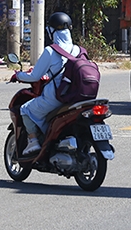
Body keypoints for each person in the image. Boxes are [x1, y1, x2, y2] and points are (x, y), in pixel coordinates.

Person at [11, 12, 80, 156]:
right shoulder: (77, 50)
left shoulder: (51, 51)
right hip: (75, 97)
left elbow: (35, 75)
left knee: (25, 109)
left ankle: (33, 141)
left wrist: (18, 75)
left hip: (56, 97)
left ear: (51, 31)